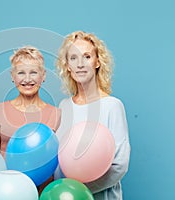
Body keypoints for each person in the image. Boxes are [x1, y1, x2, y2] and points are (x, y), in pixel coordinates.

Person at [55, 31, 130, 200]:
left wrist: (79, 192)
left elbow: (119, 165)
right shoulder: (64, 106)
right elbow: (60, 161)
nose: (80, 64)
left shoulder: (112, 106)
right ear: (67, 65)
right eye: (73, 58)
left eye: (87, 56)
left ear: (97, 62)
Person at [0, 46, 61, 192]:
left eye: (33, 72)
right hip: (7, 192)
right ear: (12, 76)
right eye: (21, 72)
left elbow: (59, 163)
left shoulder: (57, 114)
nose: (27, 79)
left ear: (43, 75)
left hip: (44, 193)